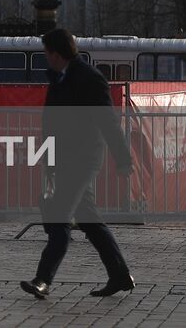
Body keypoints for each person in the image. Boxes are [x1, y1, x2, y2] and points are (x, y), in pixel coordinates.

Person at [20, 27, 136, 300]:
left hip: (83, 159)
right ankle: (120, 275)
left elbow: (107, 122)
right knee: (90, 220)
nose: (45, 58)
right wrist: (48, 159)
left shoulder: (88, 78)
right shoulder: (60, 78)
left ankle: (43, 279)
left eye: (47, 53)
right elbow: (51, 124)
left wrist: (122, 159)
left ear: (56, 53)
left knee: (60, 214)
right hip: (64, 157)